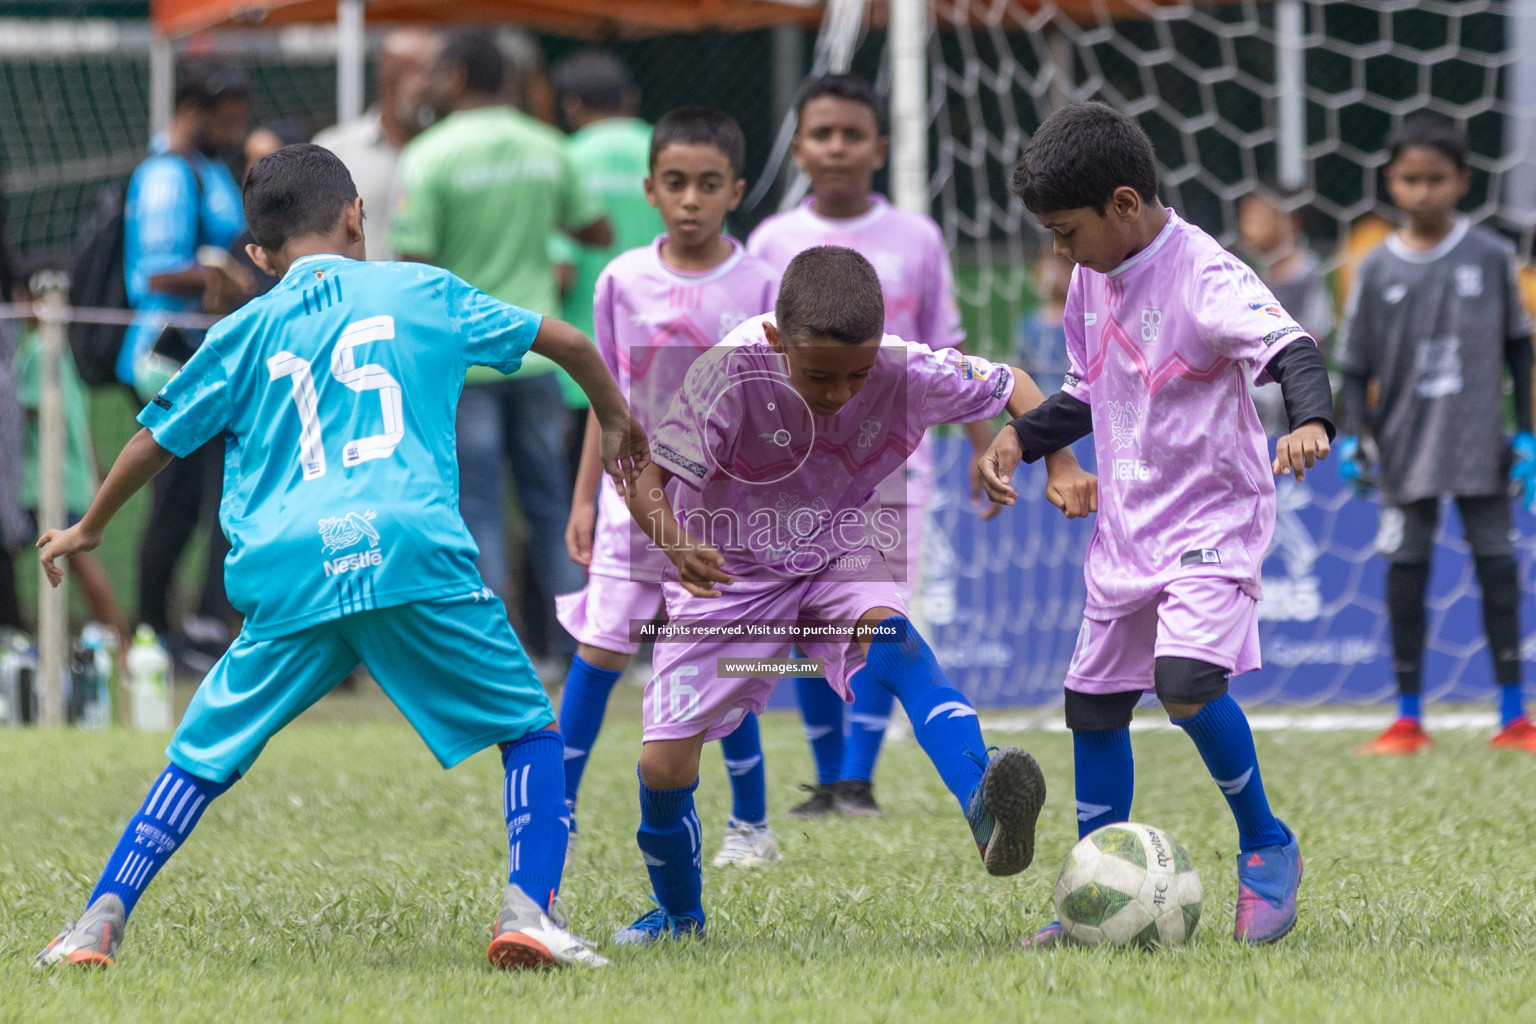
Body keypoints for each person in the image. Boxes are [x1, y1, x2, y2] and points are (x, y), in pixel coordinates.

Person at [33, 143, 647, 971]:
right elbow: (570, 341)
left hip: (292, 567)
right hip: (410, 550)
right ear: (357, 215)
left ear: (257, 254)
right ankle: (529, 912)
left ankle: (96, 922)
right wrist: (614, 421)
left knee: (202, 754)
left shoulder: (242, 328)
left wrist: (90, 527)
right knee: (530, 728)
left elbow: (154, 440)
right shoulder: (422, 290)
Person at [609, 245, 1085, 944]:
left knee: (893, 639)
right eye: (818, 376)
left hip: (837, 540)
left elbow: (1014, 381)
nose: (838, 393)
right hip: (731, 569)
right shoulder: (726, 376)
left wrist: (1060, 460)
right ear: (776, 342)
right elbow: (645, 476)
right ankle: (680, 917)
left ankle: (984, 802)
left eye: (857, 375)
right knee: (663, 762)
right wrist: (676, 543)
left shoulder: (905, 366)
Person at [980, 101, 1335, 947]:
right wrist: (1019, 438)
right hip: (1129, 529)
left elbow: (1294, 350)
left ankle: (1265, 842)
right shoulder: (1088, 279)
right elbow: (1085, 389)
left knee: (1184, 681)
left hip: (1214, 517)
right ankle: (1091, 891)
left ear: (1126, 204)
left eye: (1067, 231)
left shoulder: (1204, 274)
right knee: (1093, 704)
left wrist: (1311, 422)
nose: (1059, 251)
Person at [746, 73, 994, 819]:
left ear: (880, 148)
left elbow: (948, 350)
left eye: (852, 134)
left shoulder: (916, 238)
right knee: (800, 617)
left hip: (891, 472)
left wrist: (985, 446)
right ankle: (829, 778)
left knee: (876, 612)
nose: (837, 148)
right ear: (798, 147)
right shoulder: (772, 241)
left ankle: (857, 778)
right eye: (822, 134)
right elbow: (755, 361)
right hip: (791, 472)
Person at [557, 107, 779, 869]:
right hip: (632, 506)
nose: (691, 200)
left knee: (717, 661)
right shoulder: (621, 279)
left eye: (708, 185)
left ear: (736, 191)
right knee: (599, 646)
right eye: (676, 183)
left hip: (722, 518)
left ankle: (750, 827)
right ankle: (556, 812)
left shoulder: (760, 283)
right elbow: (610, 402)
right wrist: (586, 497)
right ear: (650, 189)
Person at [392, 30, 612, 673]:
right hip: (541, 355)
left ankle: (503, 651)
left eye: (436, 71)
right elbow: (593, 228)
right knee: (553, 505)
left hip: (466, 364)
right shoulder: (547, 146)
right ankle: (579, 646)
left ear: (458, 77)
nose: (427, 82)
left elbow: (414, 262)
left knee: (479, 506)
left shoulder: (430, 155)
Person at [1337, 114, 1536, 755]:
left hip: (1481, 447)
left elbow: (1519, 351)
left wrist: (1527, 435)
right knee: (1406, 580)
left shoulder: (1492, 255)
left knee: (1499, 573)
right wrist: (1351, 436)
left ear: (1464, 182)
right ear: (1391, 182)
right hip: (1403, 450)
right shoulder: (1374, 268)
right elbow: (1355, 363)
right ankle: (1407, 718)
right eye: (1410, 179)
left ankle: (1514, 716)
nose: (1423, 192)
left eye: (1436, 179)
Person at [123, 60, 252, 672]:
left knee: (201, 504)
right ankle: (149, 631)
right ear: (192, 112)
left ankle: (190, 631)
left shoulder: (207, 171)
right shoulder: (166, 177)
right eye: (223, 123)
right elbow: (154, 271)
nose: (231, 134)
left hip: (206, 354)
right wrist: (226, 278)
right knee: (173, 502)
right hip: (164, 357)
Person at [548, 49, 665, 484]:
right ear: (630, 98)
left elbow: (563, 270)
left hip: (586, 368)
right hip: (666, 357)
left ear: (573, 105)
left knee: (594, 491)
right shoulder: (666, 149)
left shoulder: (564, 157)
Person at [11, 261, 131, 651]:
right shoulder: (64, 351)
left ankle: (125, 649)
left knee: (79, 563)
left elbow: (28, 413)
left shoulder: (35, 350)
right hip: (69, 478)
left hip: (47, 481)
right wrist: (94, 472)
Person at [312, 26, 440, 262]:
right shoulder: (335, 151)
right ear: (390, 78)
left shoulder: (449, 152)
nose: (437, 87)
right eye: (427, 74)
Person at [1236, 184, 1336, 434]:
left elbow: (1318, 337)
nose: (1246, 227)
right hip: (1256, 395)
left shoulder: (1312, 274)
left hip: (1292, 395)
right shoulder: (1254, 276)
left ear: (1291, 222)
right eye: (1244, 218)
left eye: (1257, 218)